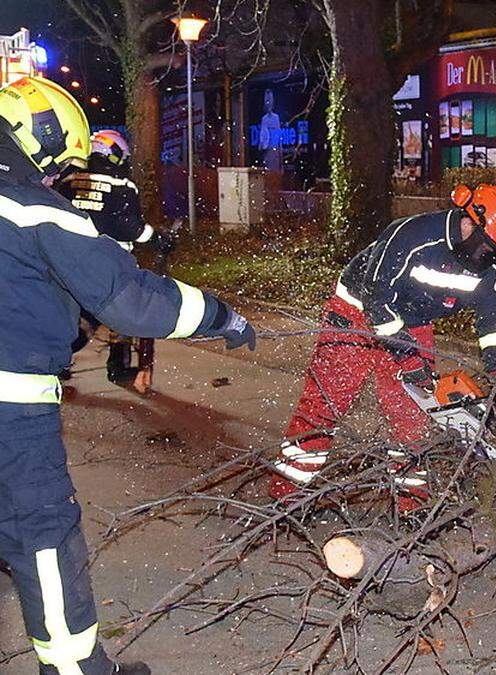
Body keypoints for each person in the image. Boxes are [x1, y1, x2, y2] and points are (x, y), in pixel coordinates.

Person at [0, 76, 257, 675]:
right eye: (59, 165)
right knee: (41, 533)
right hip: (10, 405)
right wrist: (221, 316)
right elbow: (129, 300)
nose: (57, 177)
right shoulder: (34, 207)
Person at [269, 184, 496, 503]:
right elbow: (377, 297)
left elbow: (494, 320)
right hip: (357, 312)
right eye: (485, 247)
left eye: (495, 251)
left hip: (413, 322)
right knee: (326, 403)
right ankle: (287, 494)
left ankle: (411, 503)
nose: (487, 256)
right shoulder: (413, 236)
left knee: (411, 417)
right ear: (469, 223)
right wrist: (407, 356)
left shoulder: (488, 272)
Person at [55, 130, 175, 386]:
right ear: (116, 154)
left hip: (67, 264)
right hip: (109, 266)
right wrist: (158, 238)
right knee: (121, 315)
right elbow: (130, 226)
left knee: (77, 322)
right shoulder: (122, 185)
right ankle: (117, 368)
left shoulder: (69, 180)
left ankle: (55, 362)